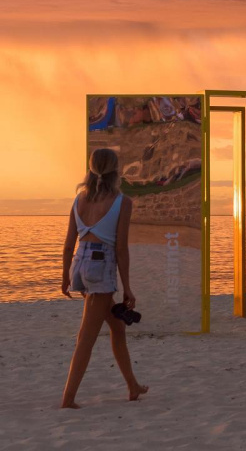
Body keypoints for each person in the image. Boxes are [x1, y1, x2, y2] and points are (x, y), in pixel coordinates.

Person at [61, 149, 147, 408]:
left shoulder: (79, 200)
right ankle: (68, 400)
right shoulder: (122, 202)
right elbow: (120, 248)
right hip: (100, 267)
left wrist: (64, 276)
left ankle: (132, 386)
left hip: (80, 265)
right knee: (86, 336)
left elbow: (68, 244)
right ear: (116, 170)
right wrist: (128, 288)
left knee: (117, 328)